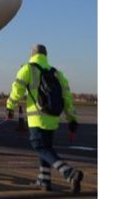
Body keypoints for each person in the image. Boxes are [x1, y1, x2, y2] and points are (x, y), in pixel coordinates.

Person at [5, 44, 82, 193]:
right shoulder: (57, 74)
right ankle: (44, 180)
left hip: (37, 118)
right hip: (53, 118)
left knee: (40, 147)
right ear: (46, 55)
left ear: (32, 55)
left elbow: (17, 90)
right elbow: (67, 98)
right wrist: (72, 120)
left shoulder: (28, 69)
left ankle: (69, 173)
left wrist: (10, 107)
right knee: (46, 149)